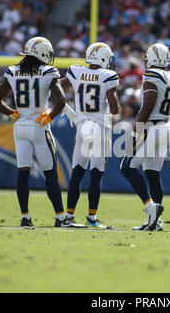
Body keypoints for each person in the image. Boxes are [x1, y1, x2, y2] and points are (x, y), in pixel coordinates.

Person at [0, 36, 76, 228]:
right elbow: (61, 101)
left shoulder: (13, 71)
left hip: (20, 127)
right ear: (42, 53)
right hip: (39, 126)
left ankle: (25, 217)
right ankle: (61, 218)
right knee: (50, 174)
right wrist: (50, 117)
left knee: (22, 173)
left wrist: (11, 113)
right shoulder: (48, 72)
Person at [120, 43, 170, 231]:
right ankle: (156, 222)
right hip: (167, 125)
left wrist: (135, 132)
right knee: (152, 174)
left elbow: (147, 106)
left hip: (152, 126)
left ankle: (150, 207)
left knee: (127, 166)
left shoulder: (151, 75)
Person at [60, 42, 120, 229]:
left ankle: (68, 216)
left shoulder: (76, 71)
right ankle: (91, 219)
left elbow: (57, 89)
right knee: (96, 175)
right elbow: (116, 108)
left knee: (77, 173)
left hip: (82, 126)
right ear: (102, 57)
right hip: (100, 128)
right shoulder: (108, 76)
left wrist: (70, 112)